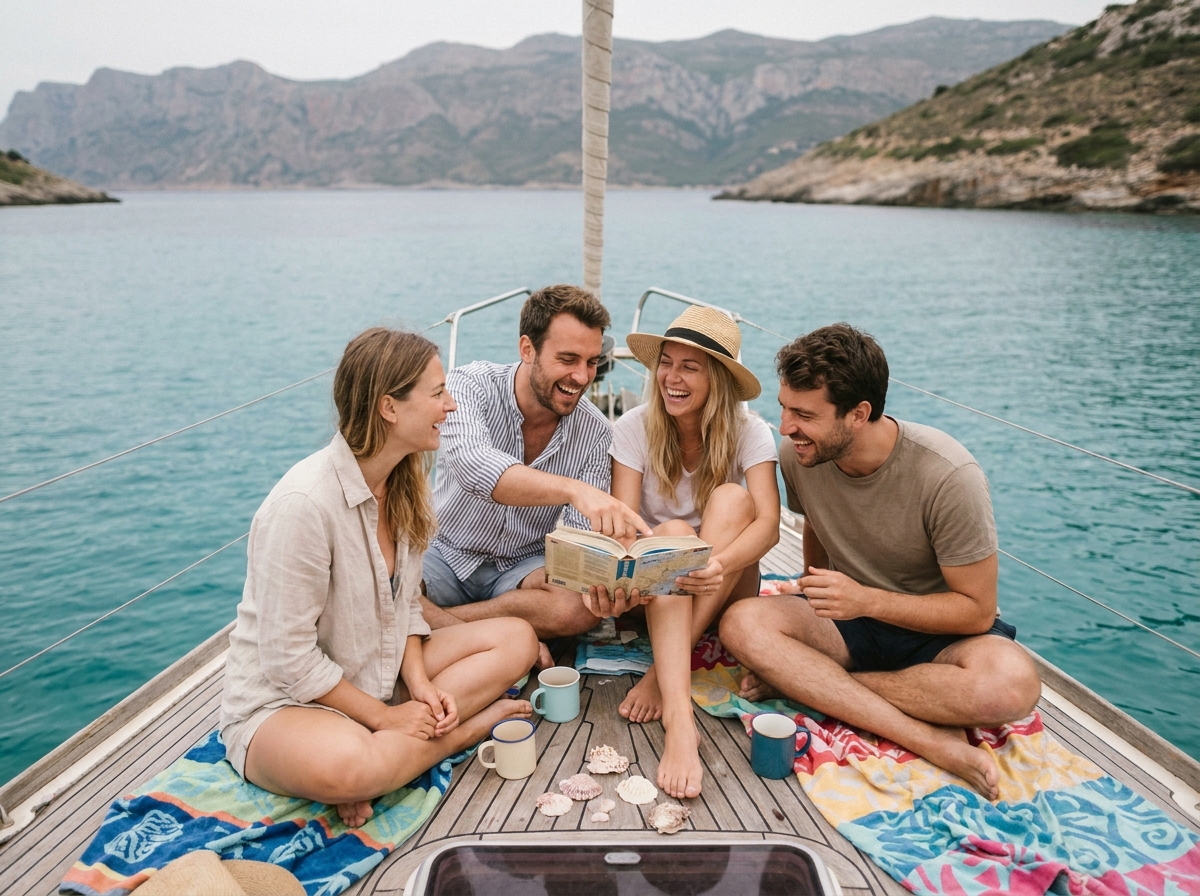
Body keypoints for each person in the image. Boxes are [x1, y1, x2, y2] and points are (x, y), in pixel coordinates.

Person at [219, 328, 539, 829]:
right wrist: (385, 716)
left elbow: (405, 606)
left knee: (518, 638)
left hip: (376, 670)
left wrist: (418, 683)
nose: (450, 405)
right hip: (285, 702)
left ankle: (386, 756)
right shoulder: (303, 505)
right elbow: (288, 660)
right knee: (352, 769)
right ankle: (458, 734)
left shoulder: (404, 485)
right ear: (390, 407)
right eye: (437, 393)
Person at [719, 324, 1041, 801]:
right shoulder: (801, 455)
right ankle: (928, 737)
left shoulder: (949, 475)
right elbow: (817, 524)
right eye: (785, 408)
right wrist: (811, 583)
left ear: (859, 414)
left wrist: (865, 603)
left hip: (942, 637)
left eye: (804, 414)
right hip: (851, 625)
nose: (785, 427)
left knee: (1012, 687)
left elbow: (976, 611)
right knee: (742, 623)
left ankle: (820, 685)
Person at [588, 306, 781, 800]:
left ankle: (662, 676)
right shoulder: (634, 427)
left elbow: (769, 526)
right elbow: (625, 530)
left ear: (718, 379)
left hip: (724, 583)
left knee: (734, 499)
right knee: (670, 534)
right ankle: (681, 721)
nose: (671, 378)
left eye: (689, 367)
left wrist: (716, 564)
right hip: (657, 596)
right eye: (666, 363)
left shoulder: (750, 431)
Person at [420, 285, 650, 658]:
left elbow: (580, 541)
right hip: (444, 551)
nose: (582, 377)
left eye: (592, 362)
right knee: (385, 581)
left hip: (522, 566)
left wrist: (608, 582)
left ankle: (438, 624)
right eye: (568, 359)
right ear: (527, 349)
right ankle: (507, 634)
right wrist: (575, 490)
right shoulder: (471, 385)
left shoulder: (595, 432)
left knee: (578, 607)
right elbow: (475, 468)